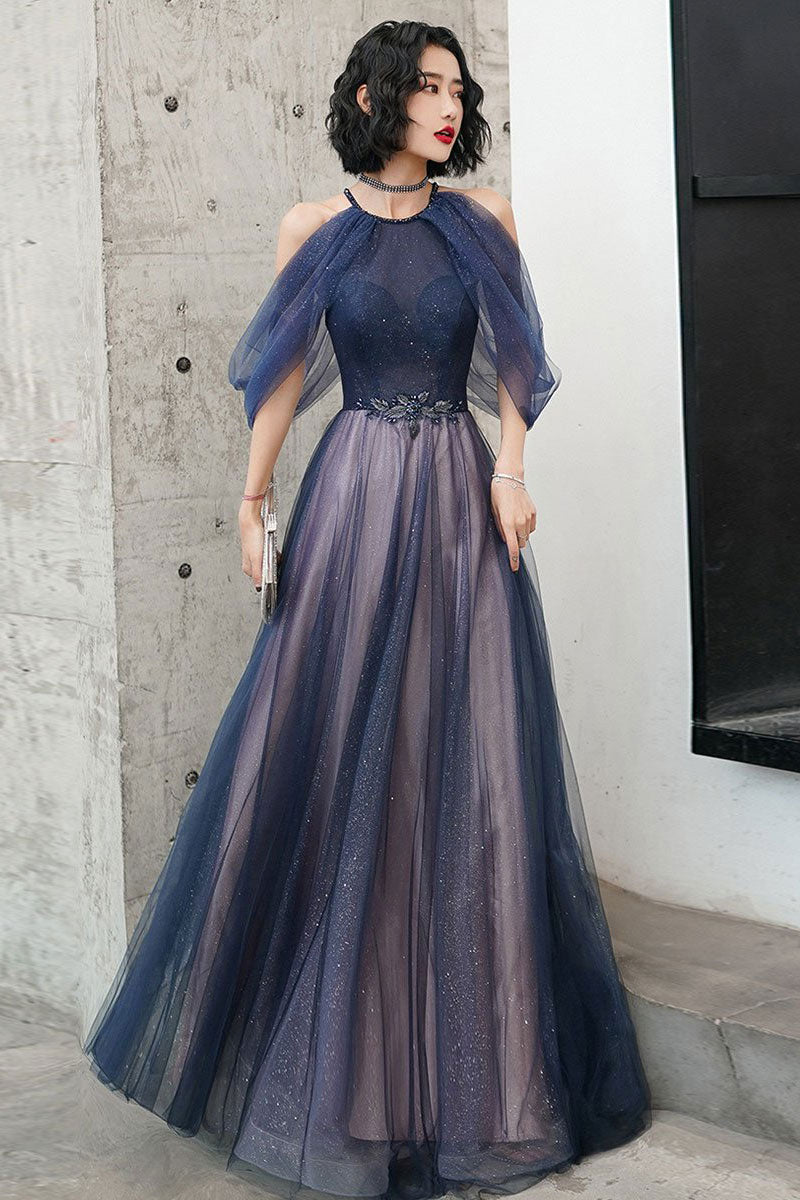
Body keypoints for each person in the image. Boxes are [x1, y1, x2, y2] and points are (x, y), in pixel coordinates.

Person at [82, 18, 652, 1200]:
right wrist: (251, 503)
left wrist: (510, 470)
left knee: (467, 757)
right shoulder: (315, 229)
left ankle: (480, 1075)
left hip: (456, 498)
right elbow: (283, 373)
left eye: (457, 89)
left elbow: (515, 358)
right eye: (426, 88)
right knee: (339, 748)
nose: (448, 107)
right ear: (369, 98)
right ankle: (337, 1067)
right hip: (349, 499)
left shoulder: (483, 219)